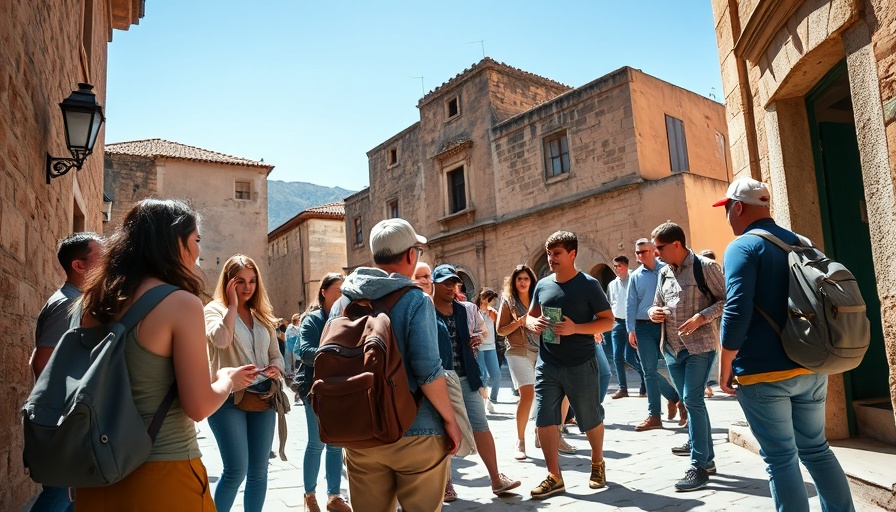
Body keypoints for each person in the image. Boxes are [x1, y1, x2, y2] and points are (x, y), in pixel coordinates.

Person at [73, 199, 257, 510]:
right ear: (175, 241)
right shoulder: (181, 304)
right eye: (196, 239)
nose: (198, 250)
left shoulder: (93, 302)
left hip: (97, 474)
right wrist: (226, 380)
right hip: (165, 471)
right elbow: (198, 406)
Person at [715, 177, 855, 511]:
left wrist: (724, 365)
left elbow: (736, 310)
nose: (728, 217)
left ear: (737, 207)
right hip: (811, 364)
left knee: (780, 458)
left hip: (764, 372)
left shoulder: (742, 247)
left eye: (727, 210)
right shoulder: (802, 242)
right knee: (817, 449)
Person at [337, 218, 461, 512]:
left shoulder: (344, 300)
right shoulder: (415, 299)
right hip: (416, 431)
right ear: (409, 255)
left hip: (361, 432)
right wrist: (451, 420)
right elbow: (428, 370)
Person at [525, 231, 615, 498]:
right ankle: (554, 476)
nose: (551, 258)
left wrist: (576, 328)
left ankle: (597, 462)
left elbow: (608, 321)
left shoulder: (588, 285)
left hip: (581, 363)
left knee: (589, 419)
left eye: (556, 253)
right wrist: (534, 325)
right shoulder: (542, 285)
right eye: (548, 253)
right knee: (544, 419)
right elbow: (529, 317)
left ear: (572, 254)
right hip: (548, 363)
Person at [431, 264, 521, 500]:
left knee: (481, 425)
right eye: (445, 283)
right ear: (434, 283)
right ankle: (446, 484)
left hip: (466, 377)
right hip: (438, 382)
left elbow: (480, 333)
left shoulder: (464, 310)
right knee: (442, 431)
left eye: (454, 283)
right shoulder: (426, 310)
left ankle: (495, 479)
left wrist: (476, 339)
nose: (451, 287)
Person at [648, 222, 725, 491]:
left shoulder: (706, 267)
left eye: (659, 248)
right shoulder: (664, 272)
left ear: (676, 245)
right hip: (671, 348)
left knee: (693, 400)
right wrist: (652, 312)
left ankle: (700, 465)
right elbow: (657, 303)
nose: (656, 253)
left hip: (700, 347)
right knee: (691, 402)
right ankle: (705, 456)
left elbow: (727, 299)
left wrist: (702, 317)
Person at [205, 254, 286, 512]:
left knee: (259, 471)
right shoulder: (213, 310)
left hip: (263, 397)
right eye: (240, 281)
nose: (247, 287)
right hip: (228, 398)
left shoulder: (261, 314)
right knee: (236, 470)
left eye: (252, 280)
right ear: (228, 282)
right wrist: (231, 306)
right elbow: (220, 340)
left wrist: (277, 369)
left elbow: (276, 354)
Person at [29, 232, 103, 512]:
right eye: (102, 258)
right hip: (63, 422)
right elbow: (40, 361)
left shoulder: (77, 301)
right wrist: (61, 417)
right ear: (79, 266)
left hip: (67, 420)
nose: (109, 263)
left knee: (71, 499)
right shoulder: (66, 305)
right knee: (59, 498)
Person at [293, 273, 351, 512]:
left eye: (344, 291)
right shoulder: (312, 319)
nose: (341, 295)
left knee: (336, 444)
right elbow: (304, 350)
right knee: (317, 443)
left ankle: (334, 496)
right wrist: (335, 352)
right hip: (314, 388)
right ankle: (310, 495)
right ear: (324, 292)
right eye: (337, 290)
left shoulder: (347, 318)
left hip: (339, 387)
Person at [626, 238, 684, 431]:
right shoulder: (635, 276)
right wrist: (630, 329)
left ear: (653, 251)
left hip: (666, 325)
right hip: (642, 328)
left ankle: (683, 405)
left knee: (675, 366)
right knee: (648, 371)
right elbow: (631, 304)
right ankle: (654, 416)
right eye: (638, 253)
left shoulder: (666, 270)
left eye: (644, 251)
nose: (640, 255)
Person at [495, 264, 541, 460]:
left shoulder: (537, 300)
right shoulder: (508, 302)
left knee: (543, 395)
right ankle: (520, 441)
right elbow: (500, 330)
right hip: (517, 351)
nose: (523, 282)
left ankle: (541, 432)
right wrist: (520, 321)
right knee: (527, 394)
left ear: (531, 282)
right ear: (514, 282)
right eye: (519, 279)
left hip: (540, 350)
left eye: (526, 279)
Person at [605, 255, 646, 399]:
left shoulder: (634, 280)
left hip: (632, 323)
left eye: (619, 266)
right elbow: (611, 302)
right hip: (617, 322)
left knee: (631, 356)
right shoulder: (612, 284)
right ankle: (623, 388)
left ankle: (645, 382)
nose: (616, 269)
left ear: (626, 266)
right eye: (615, 266)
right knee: (617, 356)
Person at [474, 288, 501, 413]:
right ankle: (483, 402)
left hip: (491, 347)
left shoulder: (492, 312)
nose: (489, 303)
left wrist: (493, 314)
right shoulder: (474, 310)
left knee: (496, 376)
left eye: (491, 300)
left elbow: (498, 325)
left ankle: (491, 400)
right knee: (483, 375)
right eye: (487, 299)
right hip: (479, 347)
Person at [699, 249, 721, 398]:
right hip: (702, 320)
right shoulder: (697, 276)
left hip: (717, 317)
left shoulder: (717, 275)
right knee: (706, 353)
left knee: (716, 350)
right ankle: (705, 384)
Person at [284, 313, 301, 380]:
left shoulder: (289, 327)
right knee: (293, 362)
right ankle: (292, 374)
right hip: (293, 347)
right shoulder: (294, 328)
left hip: (291, 347)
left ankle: (290, 373)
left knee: (290, 361)